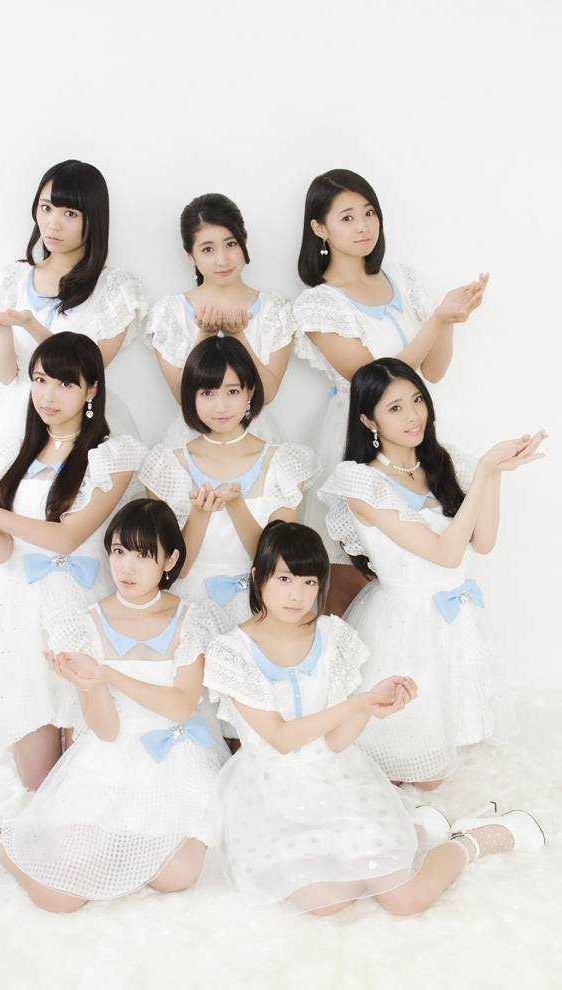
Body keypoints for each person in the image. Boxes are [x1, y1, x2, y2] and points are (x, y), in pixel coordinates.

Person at [202, 520, 544, 916]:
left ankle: (475, 838)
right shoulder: (232, 652)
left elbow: (335, 742)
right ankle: (415, 828)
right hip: (269, 793)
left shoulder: (332, 636)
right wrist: (356, 704)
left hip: (333, 779)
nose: (297, 594)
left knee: (405, 899)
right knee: (327, 903)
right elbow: (280, 739)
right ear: (257, 576)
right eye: (284, 579)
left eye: (309, 582)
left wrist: (369, 706)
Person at [0, 499, 228, 913]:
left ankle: (117, 846)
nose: (127, 567)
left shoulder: (192, 618)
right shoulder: (85, 623)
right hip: (111, 760)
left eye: (143, 555)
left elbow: (180, 707)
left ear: (169, 560)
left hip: (176, 761)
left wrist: (108, 675)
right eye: (119, 551)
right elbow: (106, 730)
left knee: (179, 875)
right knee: (60, 897)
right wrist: (88, 683)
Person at [0, 333, 146, 789]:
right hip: (18, 609)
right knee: (37, 783)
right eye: (39, 380)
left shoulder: (112, 455)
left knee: (87, 772)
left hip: (81, 604)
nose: (48, 395)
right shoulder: (15, 454)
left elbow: (68, 537)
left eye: (64, 383)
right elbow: (2, 552)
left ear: (91, 389)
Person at [318, 358, 546, 788]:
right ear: (368, 420)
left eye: (417, 400)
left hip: (453, 613)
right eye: (395, 408)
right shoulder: (361, 482)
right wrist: (484, 471)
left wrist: (492, 475)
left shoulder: (444, 461)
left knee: (447, 750)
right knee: (419, 770)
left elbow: (483, 542)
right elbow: (445, 552)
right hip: (404, 624)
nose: (413, 415)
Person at [293, 168, 489, 614]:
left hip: (410, 431)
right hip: (358, 433)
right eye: (347, 217)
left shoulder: (401, 278)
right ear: (319, 228)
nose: (364, 226)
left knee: (416, 565)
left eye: (369, 213)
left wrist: (449, 320)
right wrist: (437, 319)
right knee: (353, 572)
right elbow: (374, 380)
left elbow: (433, 371)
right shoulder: (319, 303)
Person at [140, 336, 320, 626]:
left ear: (250, 391)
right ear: (191, 396)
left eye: (232, 391)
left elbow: (279, 564)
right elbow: (177, 569)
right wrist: (199, 514)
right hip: (189, 606)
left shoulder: (284, 462)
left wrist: (237, 506)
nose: (221, 406)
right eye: (207, 393)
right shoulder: (166, 465)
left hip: (262, 606)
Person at [0, 159, 146, 447]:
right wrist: (1, 328)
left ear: (94, 218)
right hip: (19, 421)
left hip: (82, 425)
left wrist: (30, 324)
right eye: (46, 208)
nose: (53, 223)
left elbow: (89, 368)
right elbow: (7, 376)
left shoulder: (115, 287)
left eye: (70, 213)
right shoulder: (14, 278)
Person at [144, 192, 295, 444]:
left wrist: (238, 336)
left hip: (254, 436)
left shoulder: (276, 310)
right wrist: (205, 335)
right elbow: (182, 396)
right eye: (207, 249)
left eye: (231, 244)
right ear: (190, 255)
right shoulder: (169, 312)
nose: (222, 259)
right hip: (192, 439)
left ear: (244, 240)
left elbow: (266, 394)